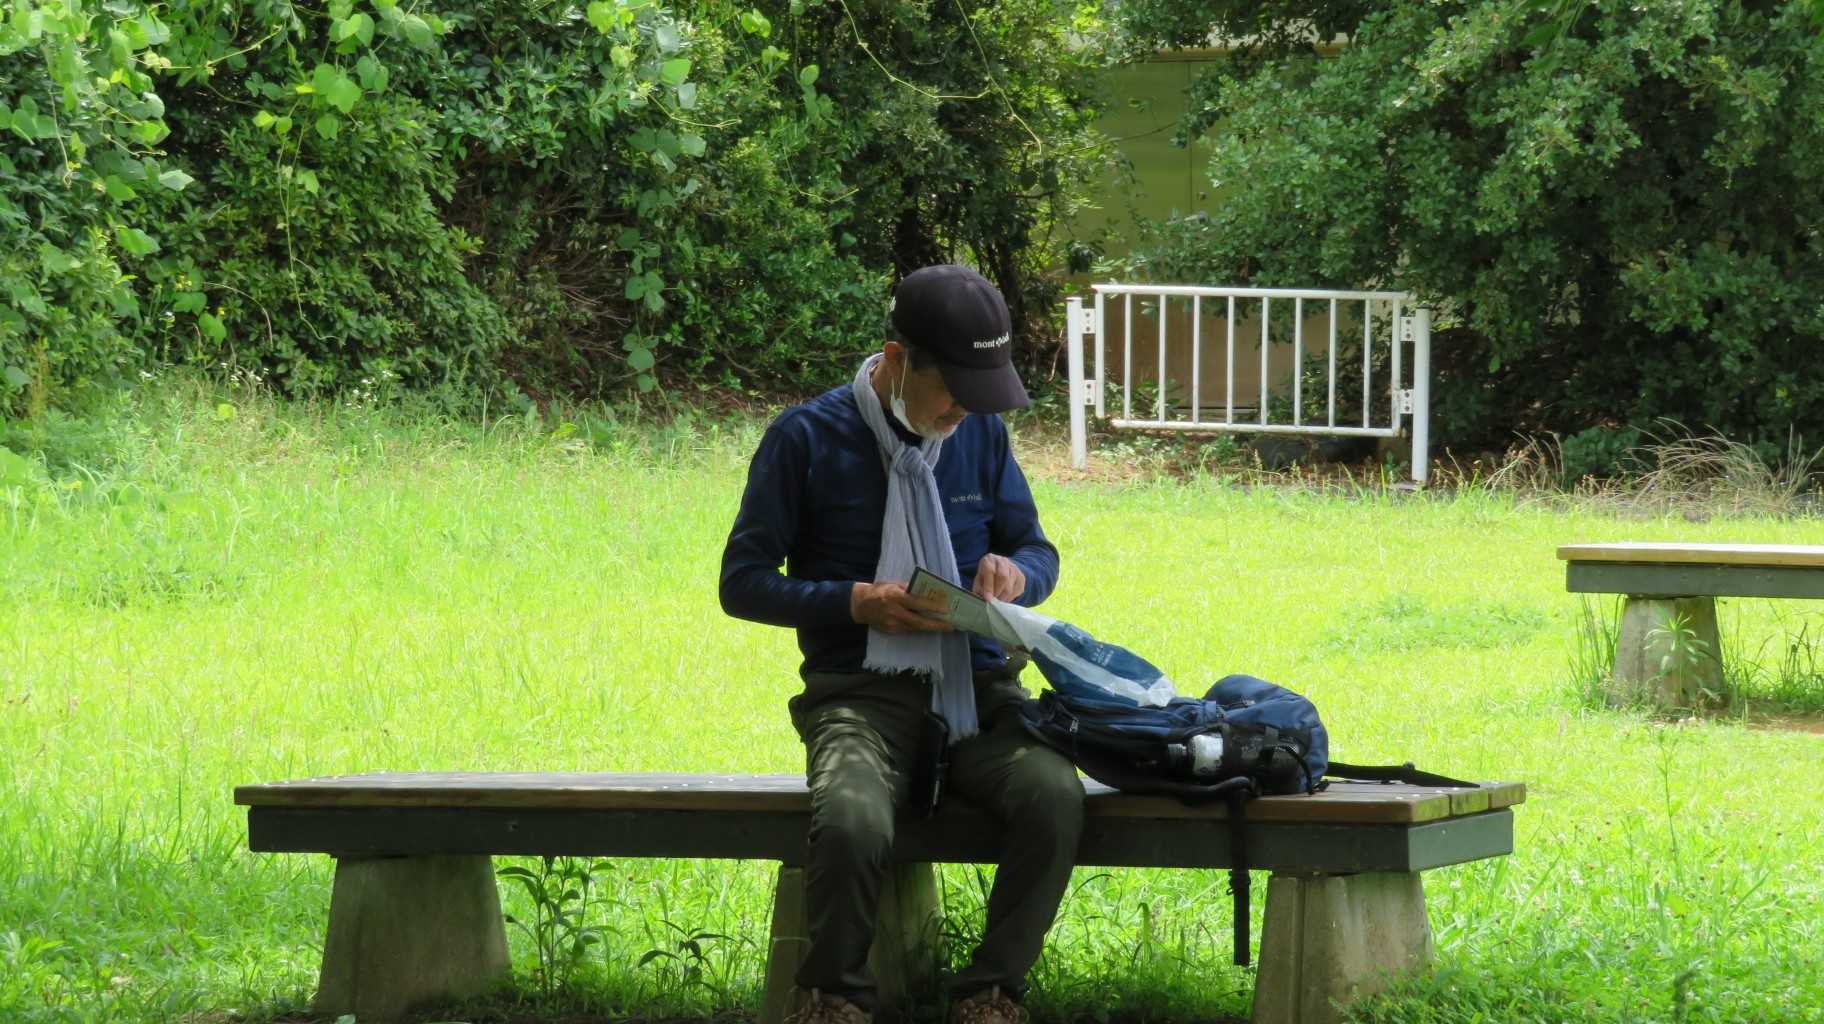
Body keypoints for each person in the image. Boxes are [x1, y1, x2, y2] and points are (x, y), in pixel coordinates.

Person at [720, 264, 1085, 1024]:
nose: (964, 409)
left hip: (979, 692)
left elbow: (1038, 551)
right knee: (852, 819)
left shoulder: (980, 433)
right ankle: (833, 999)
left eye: (980, 393)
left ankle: (990, 994)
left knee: (1053, 795)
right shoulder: (806, 438)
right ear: (896, 360)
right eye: (952, 388)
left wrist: (1015, 574)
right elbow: (742, 583)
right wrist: (855, 602)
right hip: (857, 695)